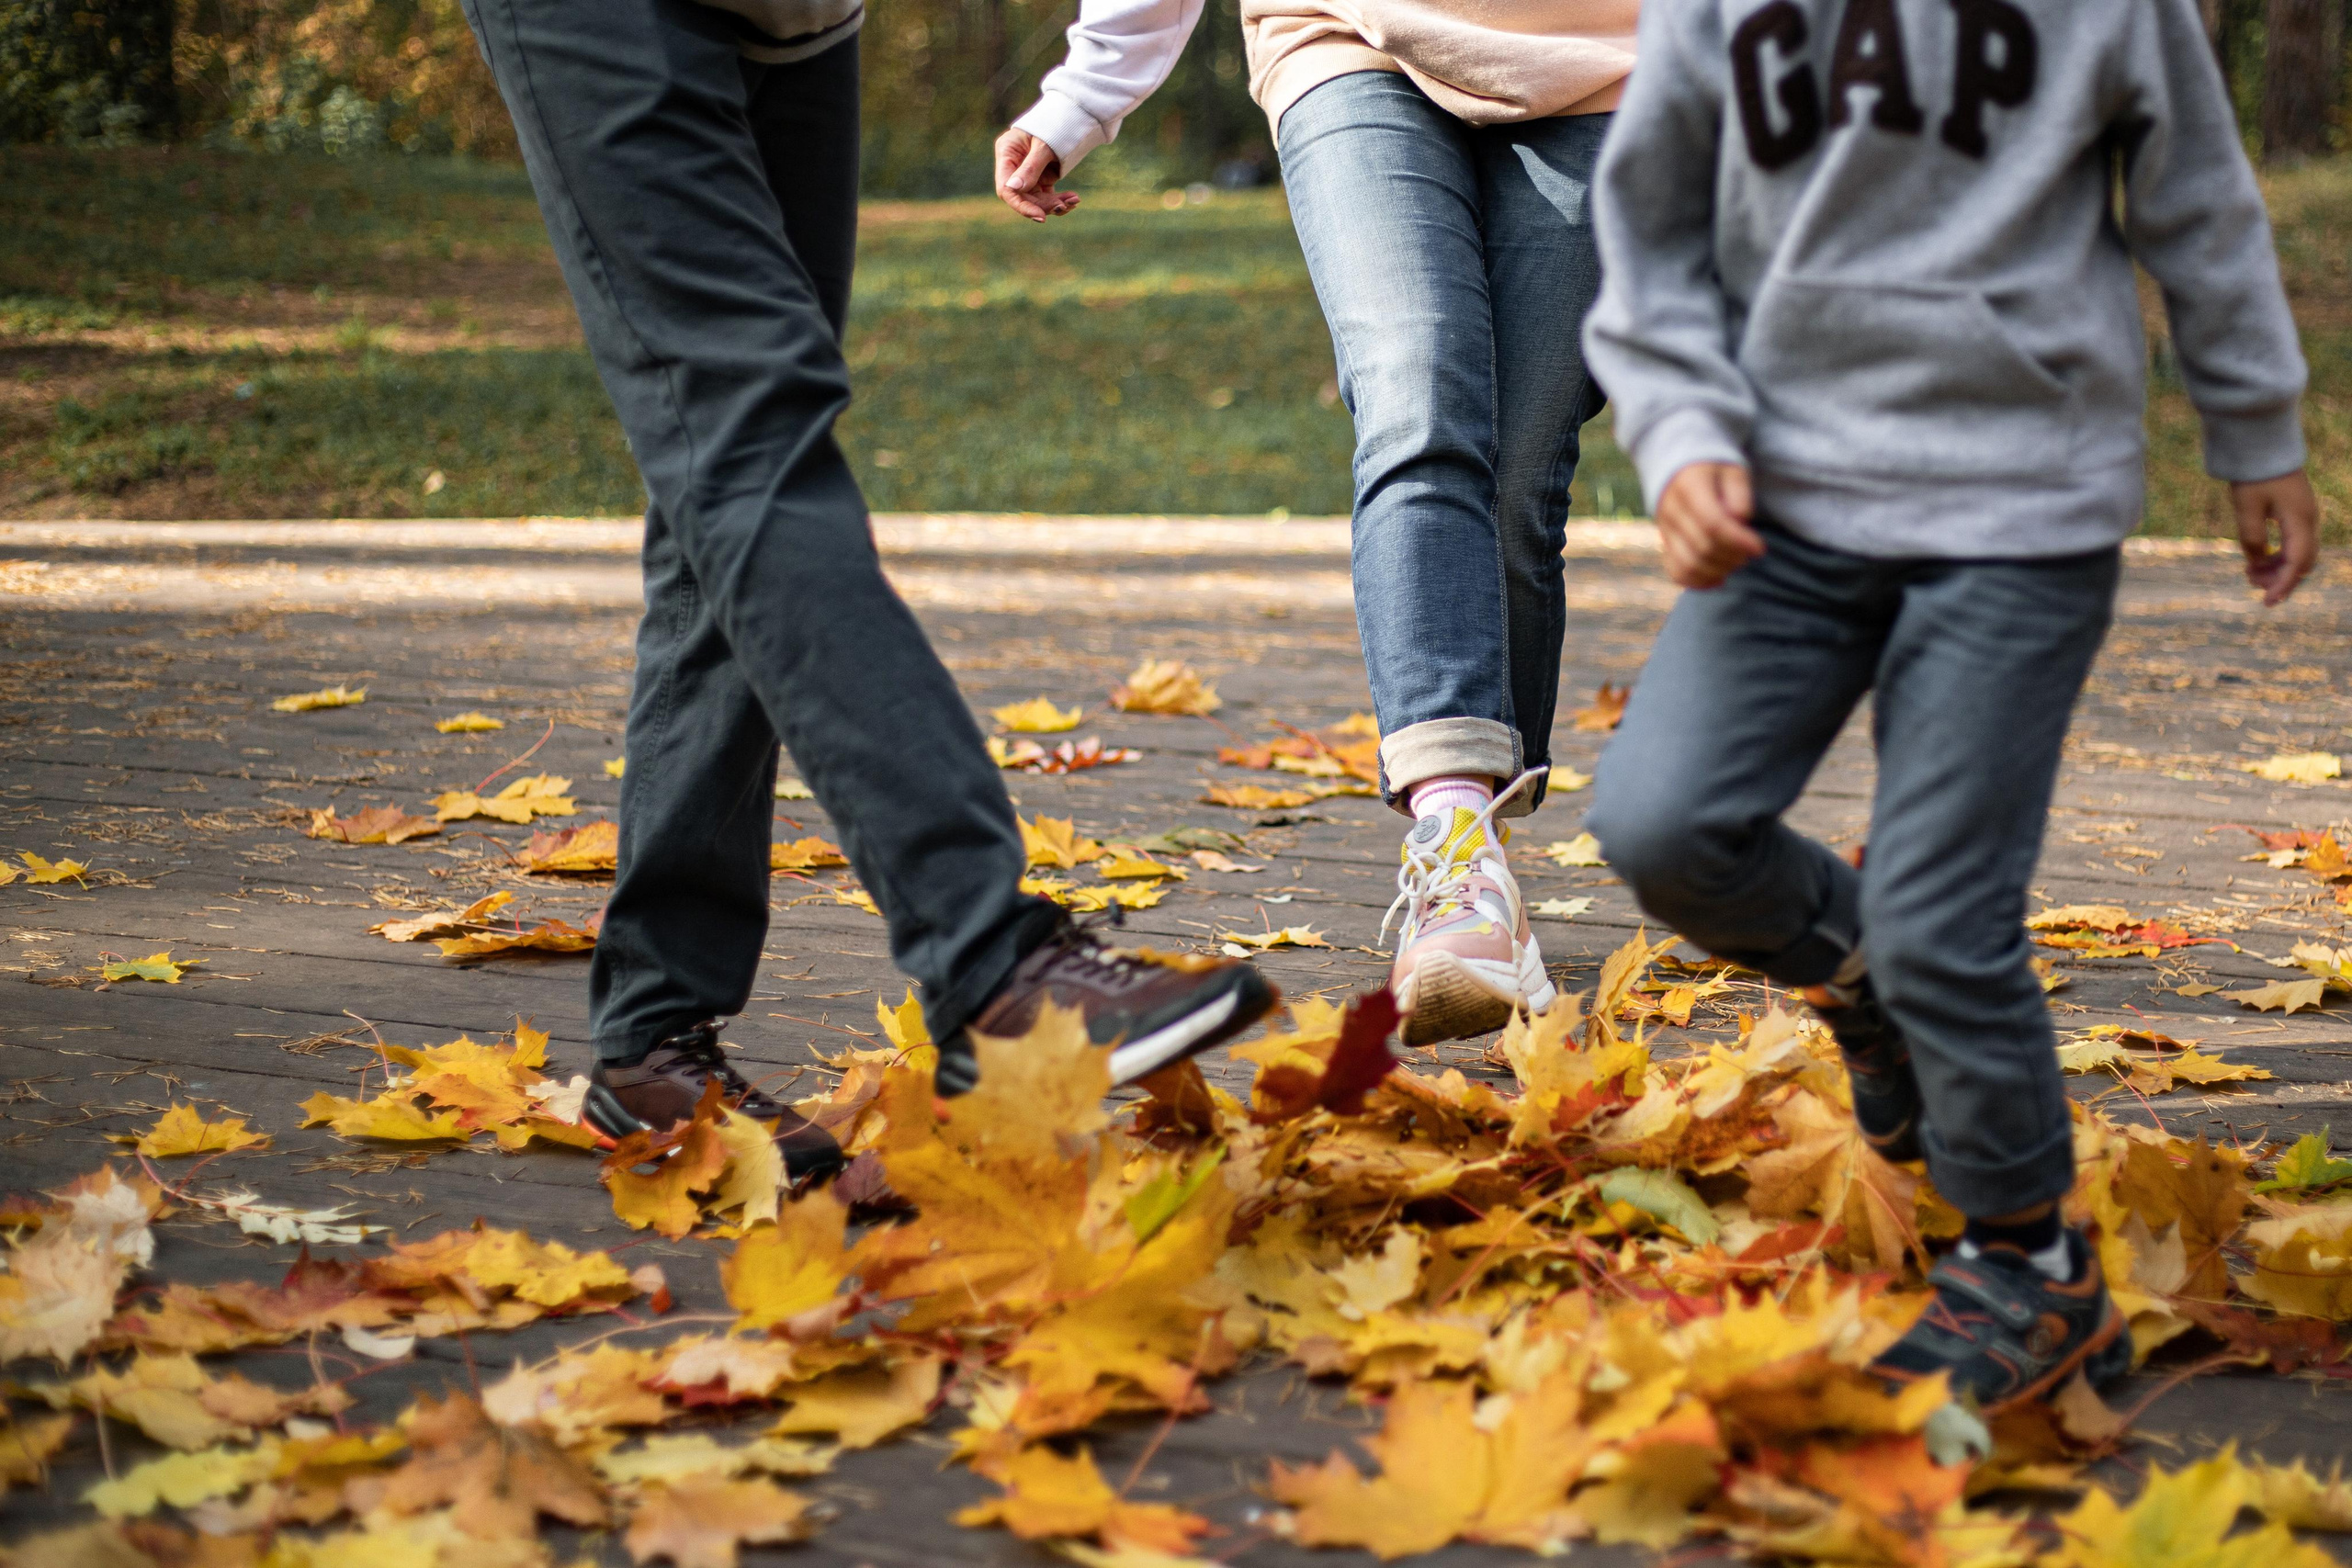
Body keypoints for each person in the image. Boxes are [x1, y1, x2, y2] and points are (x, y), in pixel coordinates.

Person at [1581, 0, 2317, 1408]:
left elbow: (2200, 200)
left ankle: (2033, 1259)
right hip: (1785, 503)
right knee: (1663, 825)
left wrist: (2255, 425)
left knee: (1943, 915)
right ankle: (1862, 974)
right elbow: (1651, 223)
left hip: (2020, 506)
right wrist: (1678, 431)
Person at [457, 0, 1276, 1181]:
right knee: (747, 426)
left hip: (802, 21)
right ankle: (989, 959)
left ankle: (649, 1039)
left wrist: (1087, 91)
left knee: (724, 474)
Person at [995, 0, 1639, 1044]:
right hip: (1343, 37)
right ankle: (1455, 851)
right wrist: (1084, 94)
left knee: (1519, 474)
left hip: (1609, 60)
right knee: (1415, 394)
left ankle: (1480, 847)